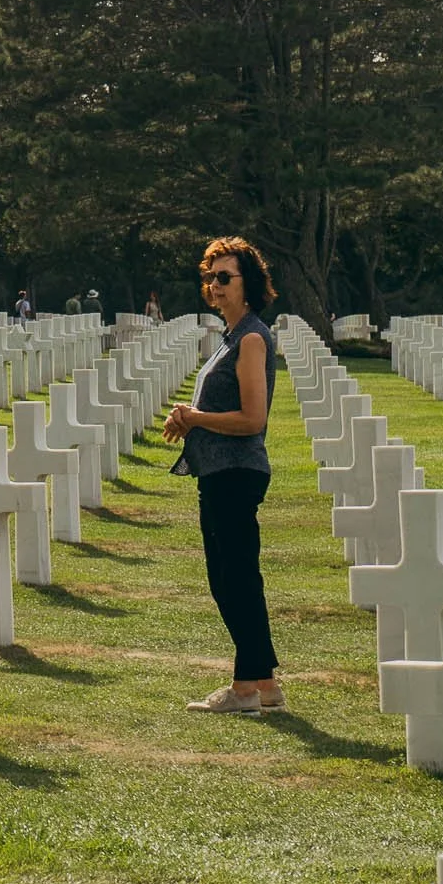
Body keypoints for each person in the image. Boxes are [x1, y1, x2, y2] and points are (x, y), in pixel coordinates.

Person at [162, 236, 283, 713]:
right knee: (233, 577)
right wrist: (187, 418)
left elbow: (253, 419)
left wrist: (195, 418)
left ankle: (243, 689)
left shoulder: (251, 337)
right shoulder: (230, 337)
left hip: (236, 470)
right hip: (217, 470)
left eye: (225, 277)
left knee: (233, 580)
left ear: (248, 284)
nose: (215, 285)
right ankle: (266, 684)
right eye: (210, 276)